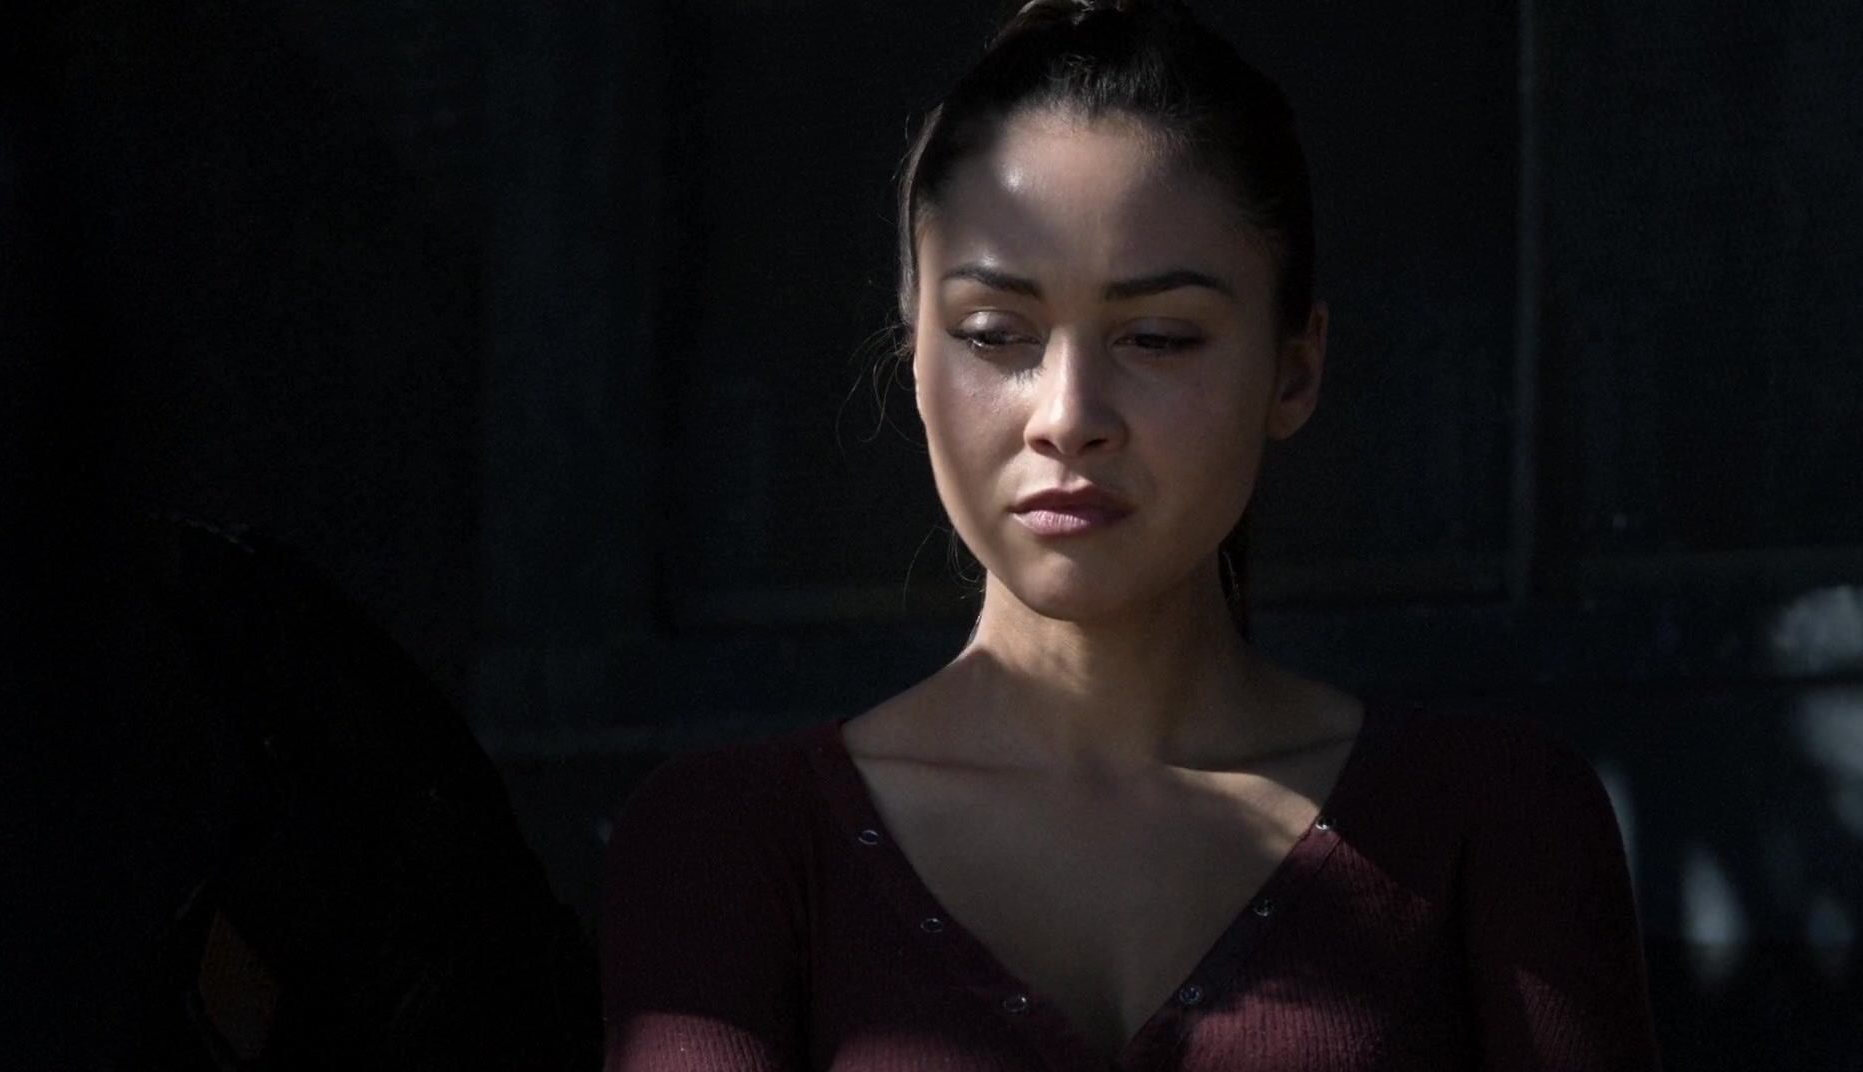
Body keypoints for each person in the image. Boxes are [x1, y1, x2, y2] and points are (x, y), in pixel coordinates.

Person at [599, 1, 1660, 1068]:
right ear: (915, 359)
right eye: (994, 334)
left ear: (1293, 369)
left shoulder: (1492, 821)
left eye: (1156, 337)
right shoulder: (730, 840)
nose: (1067, 415)